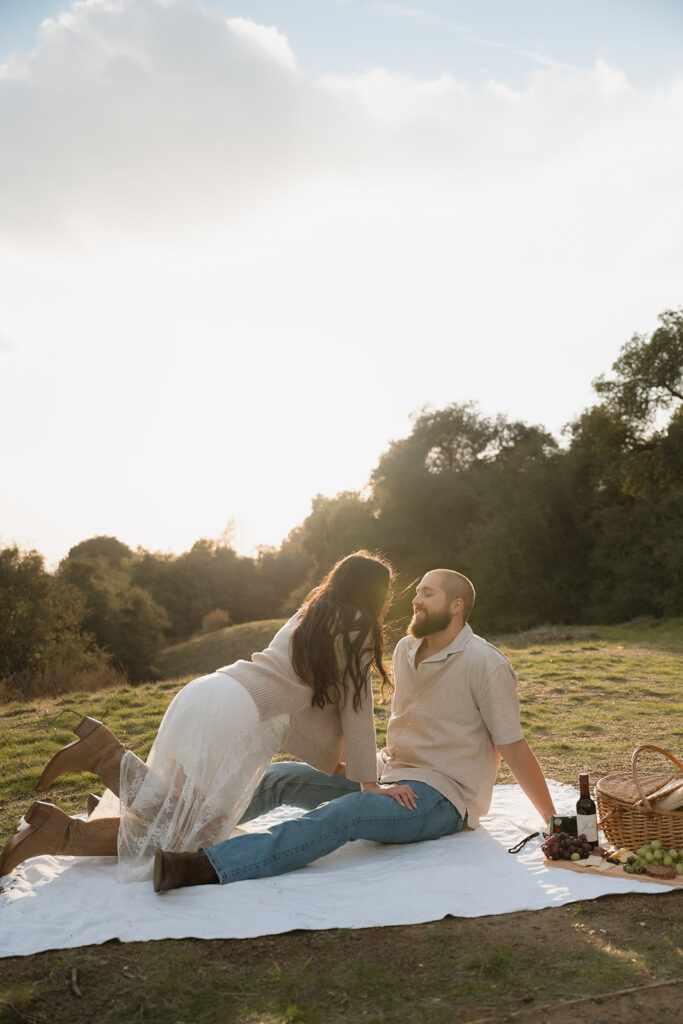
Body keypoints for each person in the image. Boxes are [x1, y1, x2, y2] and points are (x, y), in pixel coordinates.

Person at [0, 551, 405, 882]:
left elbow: (298, 698)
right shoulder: (359, 628)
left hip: (209, 690)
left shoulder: (310, 612)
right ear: (374, 594)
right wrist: (369, 781)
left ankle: (71, 813)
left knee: (177, 810)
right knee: (199, 830)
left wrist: (335, 762)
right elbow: (357, 705)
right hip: (239, 713)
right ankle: (100, 762)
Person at [152, 568, 557, 893]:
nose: (415, 599)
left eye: (427, 593)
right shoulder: (405, 650)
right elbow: (351, 706)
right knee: (279, 777)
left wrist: (553, 819)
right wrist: (365, 772)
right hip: (389, 774)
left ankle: (202, 867)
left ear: (455, 606)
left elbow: (512, 744)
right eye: (417, 591)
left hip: (441, 796)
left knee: (347, 813)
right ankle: (171, 828)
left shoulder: (487, 663)